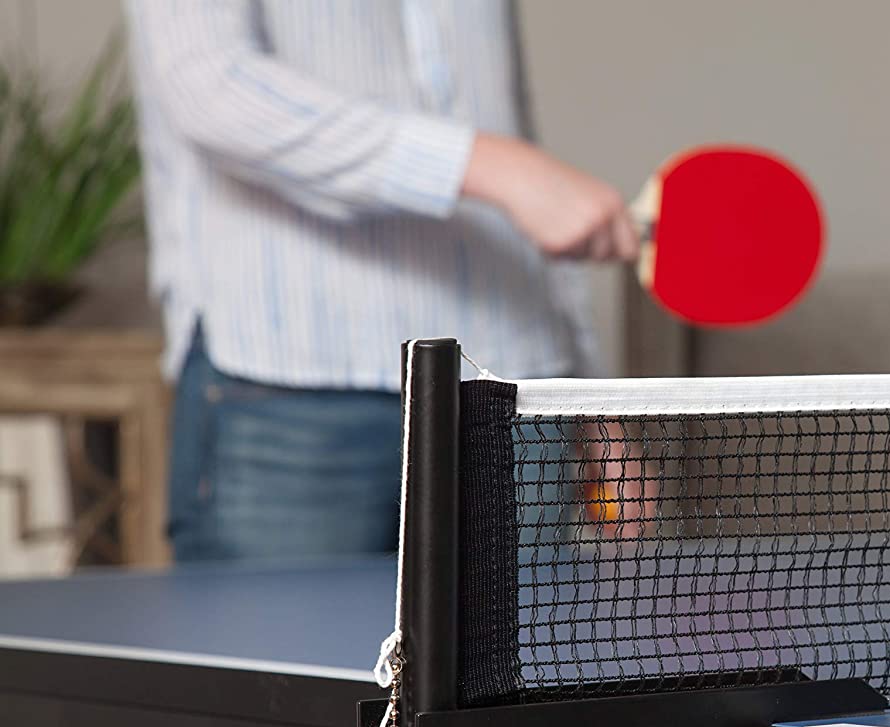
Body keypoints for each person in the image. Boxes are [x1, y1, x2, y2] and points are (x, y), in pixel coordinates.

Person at [124, 0, 638, 562]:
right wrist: (494, 166)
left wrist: (592, 401)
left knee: (540, 622)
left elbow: (521, 151)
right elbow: (209, 84)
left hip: (514, 389)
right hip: (286, 387)